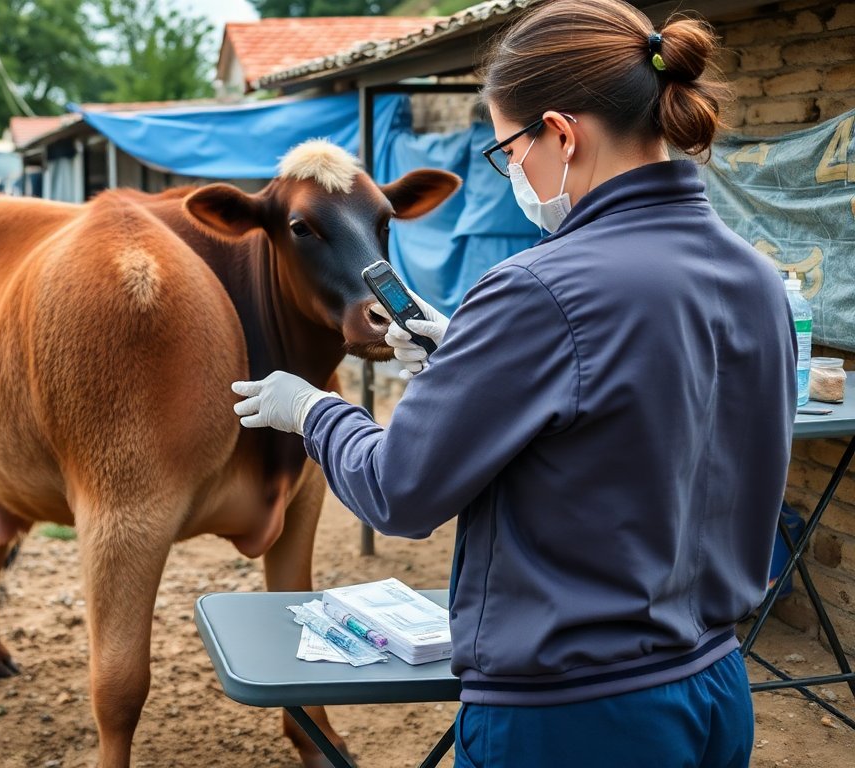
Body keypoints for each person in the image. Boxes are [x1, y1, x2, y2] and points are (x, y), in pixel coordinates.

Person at [231, 1, 796, 765]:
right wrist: (469, 358)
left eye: (507, 151)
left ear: (561, 134)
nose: (514, 174)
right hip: (715, 688)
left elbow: (399, 491)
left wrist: (314, 410)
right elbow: (633, 430)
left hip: (573, 721)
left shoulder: (539, 289)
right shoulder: (755, 278)